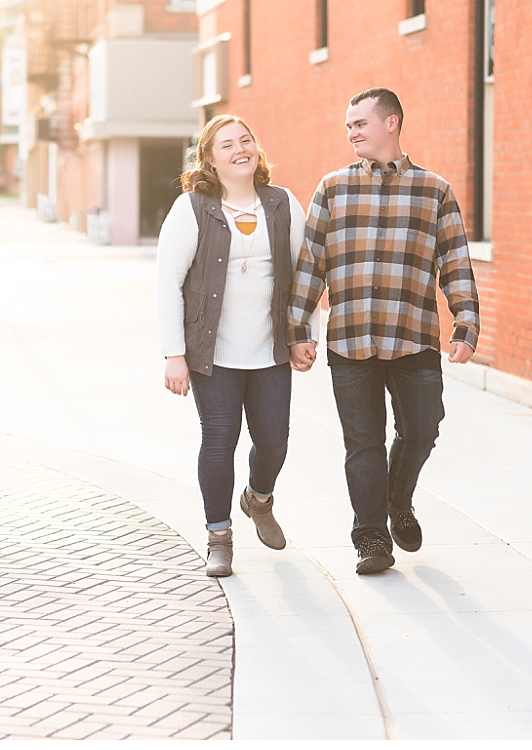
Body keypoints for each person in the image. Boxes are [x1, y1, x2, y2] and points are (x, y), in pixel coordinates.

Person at [288, 88, 480, 576]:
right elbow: (311, 264)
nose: (352, 132)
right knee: (363, 441)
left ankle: (398, 499)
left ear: (391, 123)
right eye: (348, 125)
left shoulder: (434, 190)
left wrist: (465, 323)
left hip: (413, 336)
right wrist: (299, 329)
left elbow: (454, 261)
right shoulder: (331, 189)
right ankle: (371, 536)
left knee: (422, 429)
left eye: (360, 123)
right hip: (350, 340)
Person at [157, 114, 309, 578]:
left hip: (270, 351)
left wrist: (304, 335)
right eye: (227, 145)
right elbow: (168, 282)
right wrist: (174, 353)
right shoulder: (192, 207)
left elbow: (305, 276)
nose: (240, 149)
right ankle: (218, 537)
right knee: (219, 441)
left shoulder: (283, 204)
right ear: (209, 159)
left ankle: (258, 499)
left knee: (274, 443)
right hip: (211, 352)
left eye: (246, 140)